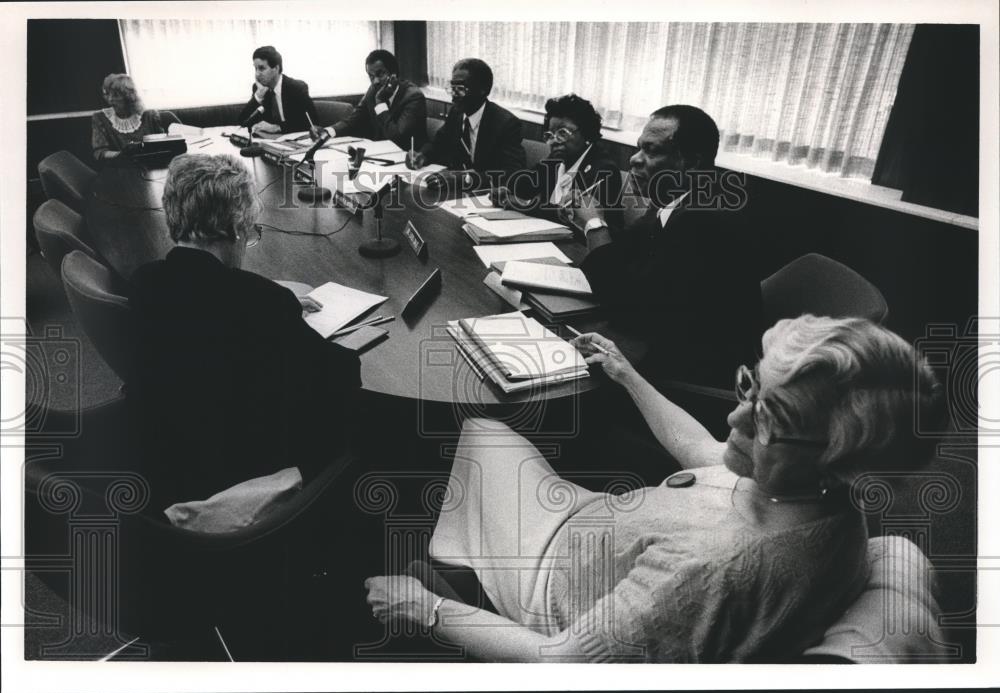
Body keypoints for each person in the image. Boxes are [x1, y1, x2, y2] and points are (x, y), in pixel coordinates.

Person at [364, 315, 945, 662]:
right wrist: (625, 374)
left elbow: (564, 663)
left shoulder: (716, 568)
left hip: (552, 579)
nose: (736, 421)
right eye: (751, 390)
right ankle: (459, 557)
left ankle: (460, 586)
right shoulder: (819, 499)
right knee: (482, 432)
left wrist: (426, 608)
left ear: (839, 462)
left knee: (479, 430)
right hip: (595, 526)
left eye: (769, 421)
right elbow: (704, 455)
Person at [127, 153, 361, 511]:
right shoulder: (264, 304)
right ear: (236, 227)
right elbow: (341, 378)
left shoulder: (144, 281)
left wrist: (269, 295)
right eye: (251, 231)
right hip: (238, 484)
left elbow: (209, 300)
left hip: (165, 464)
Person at [574, 104, 761, 388]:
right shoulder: (675, 199)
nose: (634, 160)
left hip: (691, 378)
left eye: (651, 150)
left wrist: (594, 224)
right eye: (639, 148)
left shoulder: (704, 219)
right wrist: (594, 219)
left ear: (691, 162)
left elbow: (625, 302)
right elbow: (628, 250)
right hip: (662, 344)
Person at [492, 93, 623, 231]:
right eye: (550, 135)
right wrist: (505, 190)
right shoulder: (556, 159)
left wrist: (524, 204)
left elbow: (569, 215)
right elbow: (526, 185)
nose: (554, 141)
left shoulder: (603, 170)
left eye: (563, 133)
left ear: (586, 132)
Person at [406, 58, 525, 187]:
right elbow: (438, 144)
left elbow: (511, 173)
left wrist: (466, 178)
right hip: (453, 193)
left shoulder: (506, 124)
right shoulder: (456, 113)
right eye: (452, 88)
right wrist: (422, 155)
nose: (454, 95)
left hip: (486, 195)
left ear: (483, 90)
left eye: (461, 89)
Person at [320, 49, 427, 151]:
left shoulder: (413, 97)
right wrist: (327, 132)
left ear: (394, 74)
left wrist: (380, 103)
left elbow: (397, 138)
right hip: (380, 156)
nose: (375, 81)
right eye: (371, 76)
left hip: (407, 160)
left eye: (380, 74)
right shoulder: (373, 91)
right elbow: (353, 121)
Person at [237, 45, 318, 135]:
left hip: (294, 142)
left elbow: (312, 123)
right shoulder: (259, 89)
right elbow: (243, 122)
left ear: (276, 68)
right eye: (255, 69)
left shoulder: (296, 88)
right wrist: (258, 96)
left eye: (261, 68)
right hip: (270, 142)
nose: (257, 74)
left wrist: (277, 127)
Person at [91, 73, 167, 161]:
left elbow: (163, 146)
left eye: (116, 95)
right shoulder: (100, 118)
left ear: (129, 97)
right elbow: (99, 153)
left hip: (150, 164)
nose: (110, 99)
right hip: (120, 168)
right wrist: (123, 155)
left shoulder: (149, 116)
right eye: (107, 94)